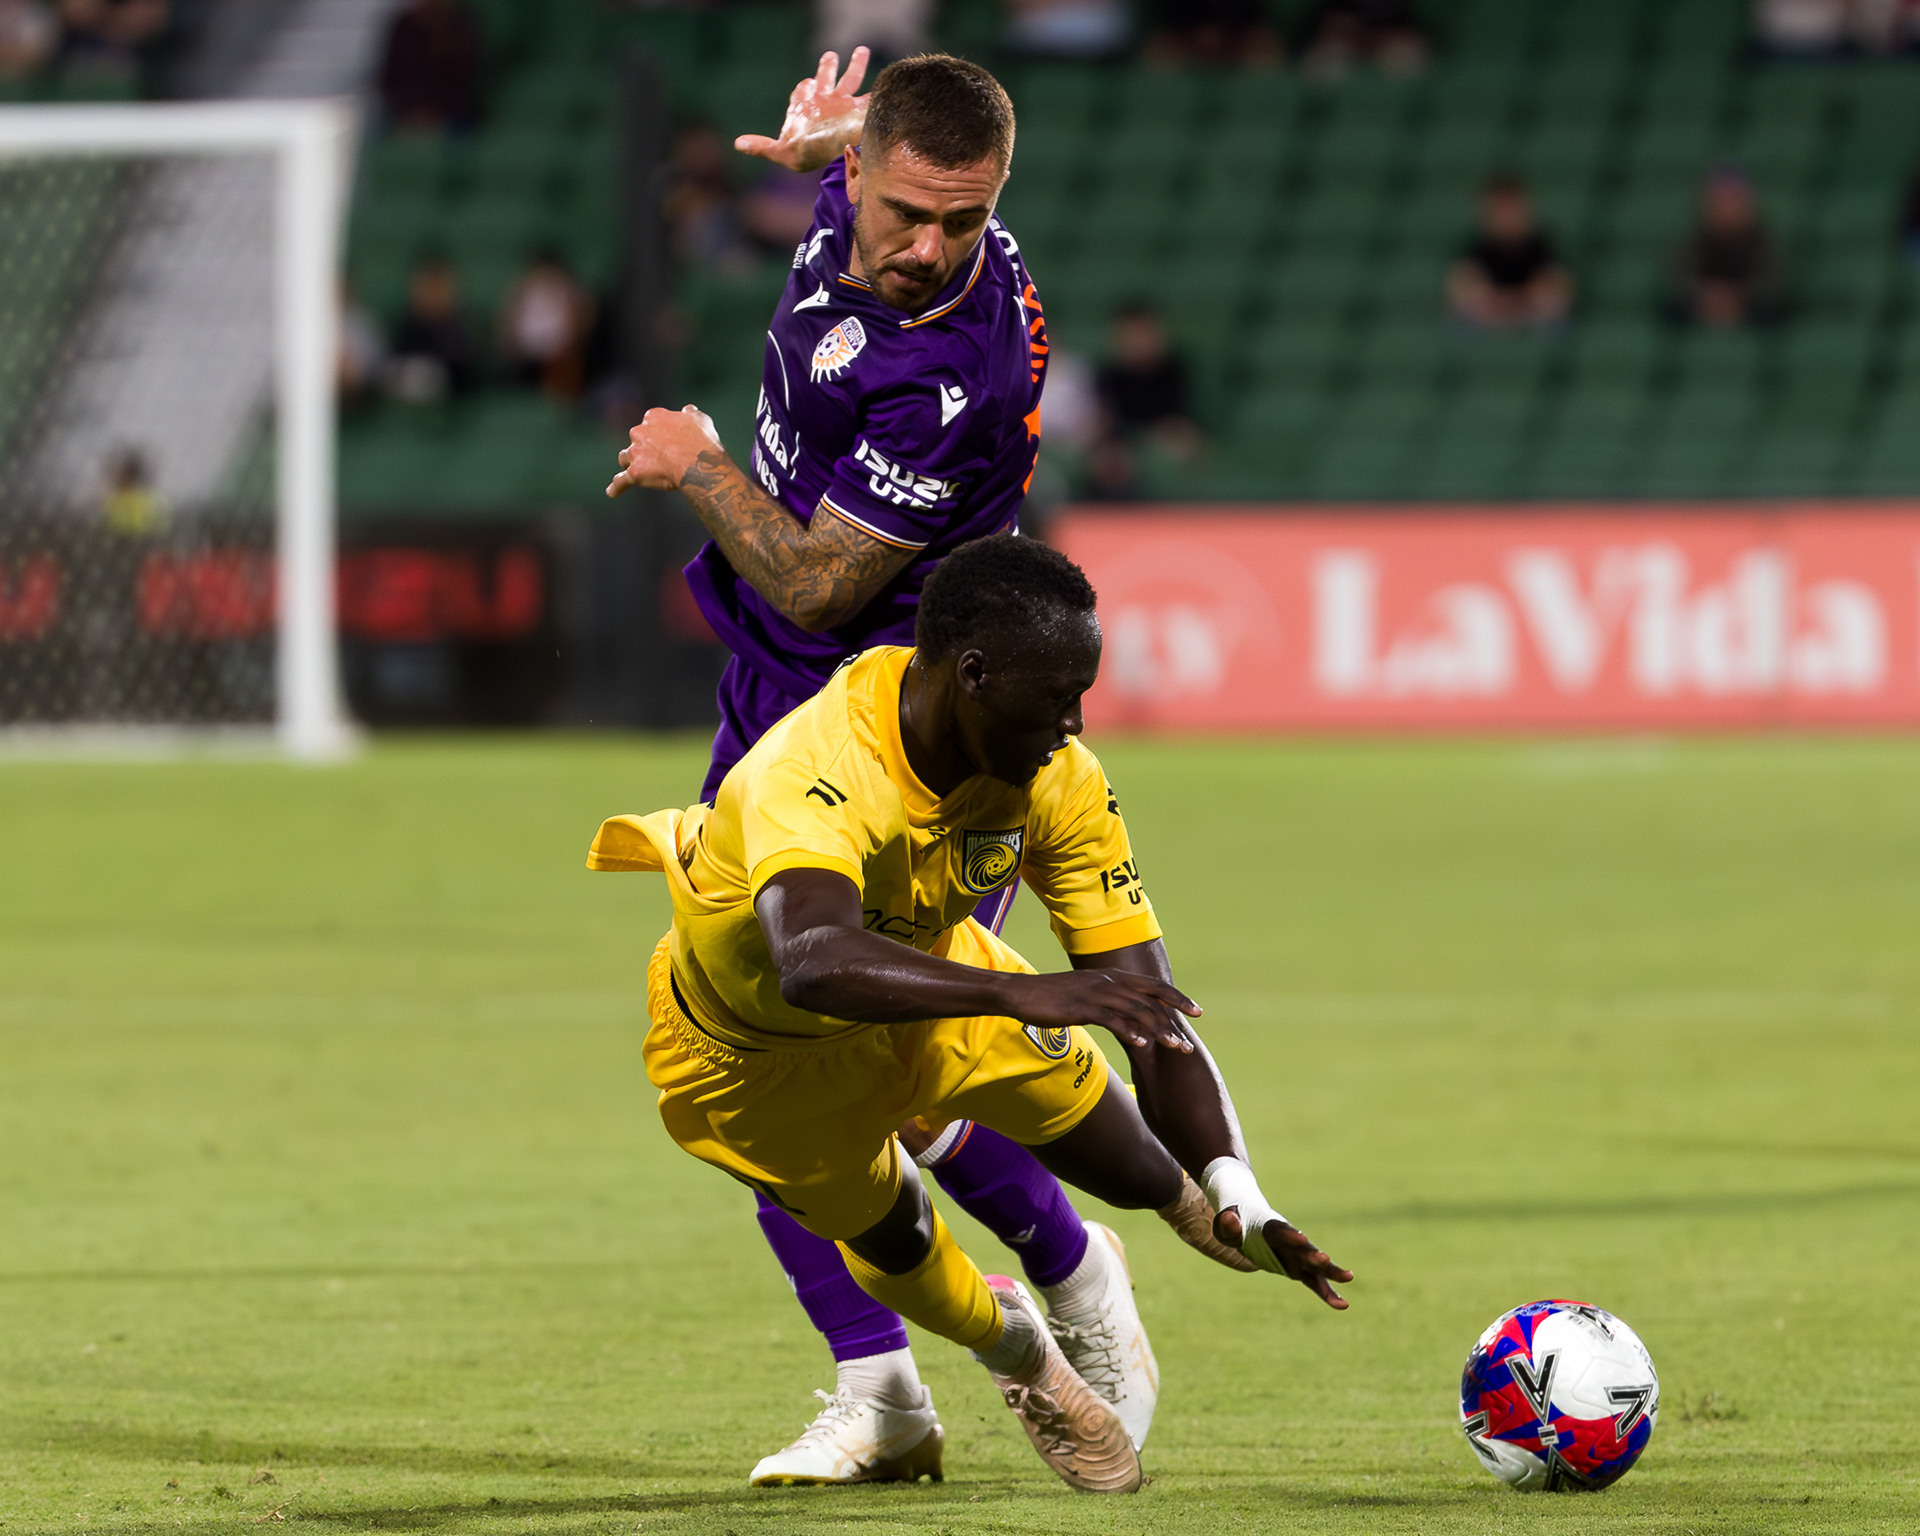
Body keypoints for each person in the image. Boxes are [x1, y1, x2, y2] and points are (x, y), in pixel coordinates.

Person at [607, 50, 1240, 1485]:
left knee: (885, 1066)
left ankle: (1073, 1271)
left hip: (916, 730)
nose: (929, 247)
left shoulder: (951, 370)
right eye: (905, 210)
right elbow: (892, 170)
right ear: (864, 170)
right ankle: (881, 1391)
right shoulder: (863, 203)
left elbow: (820, 584)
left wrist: (695, 464)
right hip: (774, 696)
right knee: (752, 1051)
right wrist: (826, 152)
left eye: (965, 221)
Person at [586, 535, 1354, 1492]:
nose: (1073, 723)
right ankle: (1019, 1354)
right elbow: (812, 960)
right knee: (893, 1235)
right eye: (1057, 697)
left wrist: (1235, 1191)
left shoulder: (1058, 775)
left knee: (1136, 1171)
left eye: (1083, 695)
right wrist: (1022, 992)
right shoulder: (821, 762)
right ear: (975, 675)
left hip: (931, 981)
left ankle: (1125, 1250)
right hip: (750, 1055)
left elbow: (1149, 1009)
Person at [1445, 175, 1573, 331]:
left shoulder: (1545, 251)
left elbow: (1555, 297)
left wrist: (1499, 304)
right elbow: (1463, 296)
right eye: (1499, 210)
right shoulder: (1472, 254)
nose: (1506, 217)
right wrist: (1521, 302)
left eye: (1511, 209)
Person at [1670, 166, 1783, 329]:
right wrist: (1706, 295)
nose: (1726, 208)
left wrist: (1737, 298)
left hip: (1752, 318)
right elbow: (1682, 280)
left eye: (1733, 200)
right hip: (1700, 314)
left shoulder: (1763, 244)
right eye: (1720, 200)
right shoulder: (1692, 243)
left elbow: (1768, 283)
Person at [1096, 302, 1200, 463]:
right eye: (1129, 335)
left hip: (1166, 441)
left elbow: (1177, 421)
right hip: (1123, 446)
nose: (1137, 342)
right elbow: (1107, 423)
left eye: (1141, 333)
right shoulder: (1109, 377)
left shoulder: (1174, 372)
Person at [498, 247, 596, 401]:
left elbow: (583, 321)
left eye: (549, 275)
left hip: (565, 356)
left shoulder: (570, 293)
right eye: (541, 274)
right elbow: (505, 332)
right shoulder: (520, 293)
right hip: (526, 363)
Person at [377, 0, 482, 135]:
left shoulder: (460, 24)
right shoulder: (404, 26)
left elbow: (470, 76)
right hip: (408, 109)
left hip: (452, 113)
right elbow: (390, 78)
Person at [387, 253, 478, 401]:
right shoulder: (404, 331)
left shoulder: (462, 337)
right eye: (427, 286)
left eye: (438, 286)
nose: (432, 294)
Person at [1299, 0, 1429, 75]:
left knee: (1408, 58)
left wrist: (1373, 38)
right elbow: (1330, 24)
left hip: (1387, 40)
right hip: (1340, 44)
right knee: (1323, 64)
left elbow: (1402, 25)